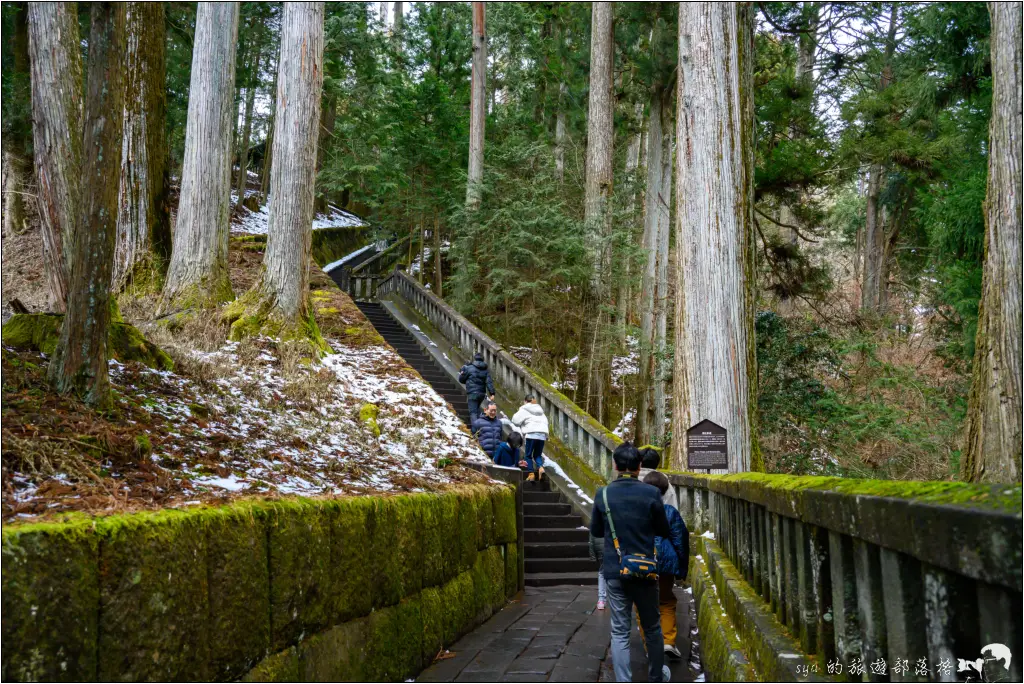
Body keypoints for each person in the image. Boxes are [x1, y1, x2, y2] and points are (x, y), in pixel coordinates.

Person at [590, 442, 672, 683]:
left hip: (615, 570)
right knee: (652, 627)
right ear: (639, 466)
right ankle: (656, 676)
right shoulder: (651, 493)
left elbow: (596, 530)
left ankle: (624, 680)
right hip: (645, 569)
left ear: (615, 465)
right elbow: (663, 530)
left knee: (619, 630)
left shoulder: (603, 494)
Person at [642, 471, 690, 660]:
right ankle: (668, 641)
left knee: (643, 605)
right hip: (666, 563)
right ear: (664, 491)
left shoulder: (638, 511)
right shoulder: (670, 512)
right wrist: (682, 568)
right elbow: (680, 540)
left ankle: (650, 645)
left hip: (642, 561)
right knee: (666, 601)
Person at [512, 394, 549, 481]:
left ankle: (531, 474)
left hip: (531, 433)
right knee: (537, 455)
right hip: (542, 434)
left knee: (528, 455)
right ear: (534, 401)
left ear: (525, 401)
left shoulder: (524, 409)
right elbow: (546, 422)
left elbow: (515, 421)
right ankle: (540, 468)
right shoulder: (541, 411)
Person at [638, 446, 678, 510]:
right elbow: (672, 508)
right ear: (657, 463)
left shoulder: (630, 481)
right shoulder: (663, 482)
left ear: (639, 463)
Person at [459, 352, 495, 423]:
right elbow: (489, 382)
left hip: (472, 393)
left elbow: (461, 379)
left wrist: (463, 374)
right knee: (477, 409)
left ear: (475, 358)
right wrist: (492, 393)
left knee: (473, 412)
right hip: (481, 394)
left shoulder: (469, 368)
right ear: (483, 359)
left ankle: (476, 430)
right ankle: (481, 426)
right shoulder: (486, 371)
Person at [589, 528, 607, 610]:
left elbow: (591, 540)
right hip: (614, 548)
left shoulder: (597, 518)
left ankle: (601, 600)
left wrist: (593, 556)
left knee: (602, 573)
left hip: (601, 550)